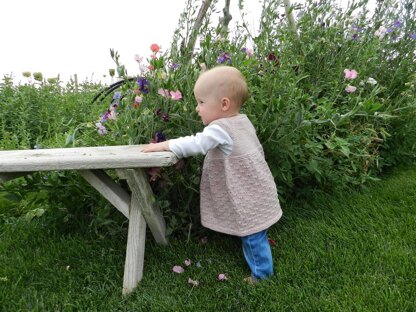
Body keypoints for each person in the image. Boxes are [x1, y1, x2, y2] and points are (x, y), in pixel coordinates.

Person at [142, 65, 282, 283]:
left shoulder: (220, 128)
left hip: (245, 191)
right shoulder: (242, 121)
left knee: (251, 233)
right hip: (255, 186)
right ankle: (260, 253)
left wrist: (165, 145)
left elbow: (197, 143)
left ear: (224, 104)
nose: (197, 108)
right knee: (255, 225)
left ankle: (262, 274)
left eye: (201, 102)